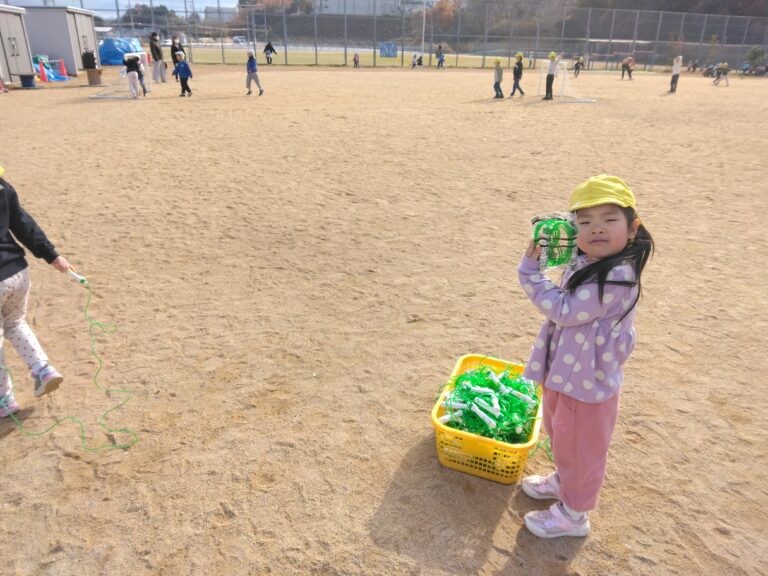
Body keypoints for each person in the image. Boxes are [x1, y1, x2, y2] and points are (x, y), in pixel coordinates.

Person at [517, 174, 654, 538]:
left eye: (609, 219)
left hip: (586, 384)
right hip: (568, 373)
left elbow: (563, 309)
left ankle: (574, 516)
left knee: (581, 448)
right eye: (584, 221)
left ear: (632, 228)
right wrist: (555, 236)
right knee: (561, 434)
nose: (596, 229)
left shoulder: (618, 276)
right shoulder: (592, 259)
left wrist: (531, 273)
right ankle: (565, 480)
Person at [0, 167, 71, 417]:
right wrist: (52, 255)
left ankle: (4, 400)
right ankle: (42, 369)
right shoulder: (2, 185)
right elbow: (22, 223)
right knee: (15, 323)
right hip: (17, 274)